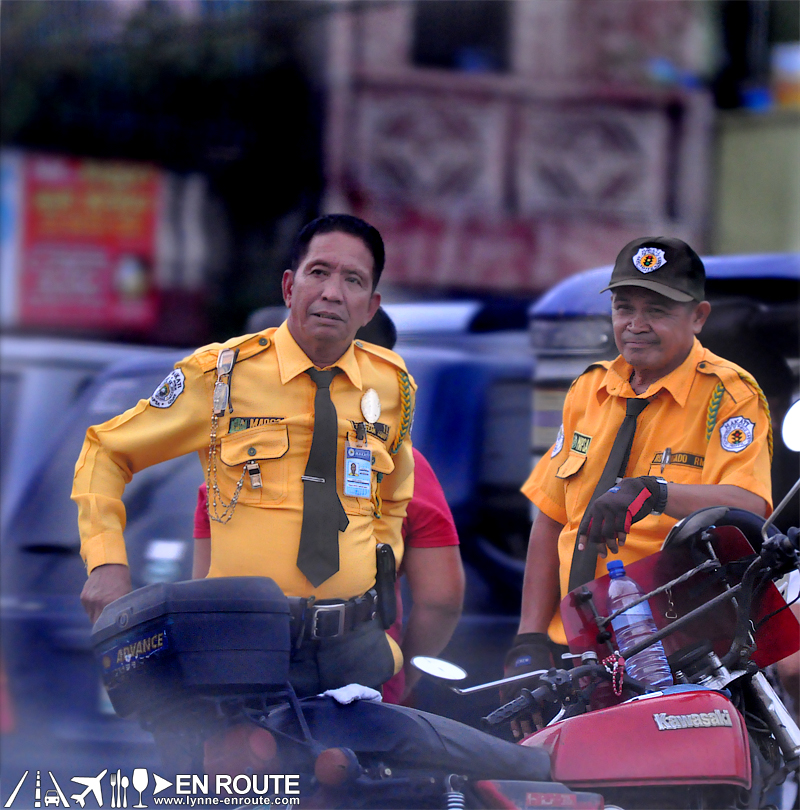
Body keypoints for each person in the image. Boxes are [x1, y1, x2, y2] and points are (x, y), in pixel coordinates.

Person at [72, 214, 416, 697]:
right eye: (319, 272)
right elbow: (105, 451)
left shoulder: (393, 385)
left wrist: (375, 581)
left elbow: (394, 498)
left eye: (353, 280)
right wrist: (107, 565)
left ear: (370, 307)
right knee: (249, 774)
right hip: (242, 649)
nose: (333, 293)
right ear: (289, 287)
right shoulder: (222, 376)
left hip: (351, 655)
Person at [506, 236, 773, 733]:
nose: (636, 324)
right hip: (577, 652)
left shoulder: (729, 395)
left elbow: (750, 504)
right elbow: (550, 520)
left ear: (698, 317)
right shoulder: (589, 389)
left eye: (658, 310)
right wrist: (529, 641)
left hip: (673, 651)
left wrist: (657, 491)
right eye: (624, 307)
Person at [193, 306, 464, 704]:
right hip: (362, 688)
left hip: (246, 685)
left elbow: (204, 598)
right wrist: (401, 674)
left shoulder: (230, 464)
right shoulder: (405, 467)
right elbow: (441, 599)